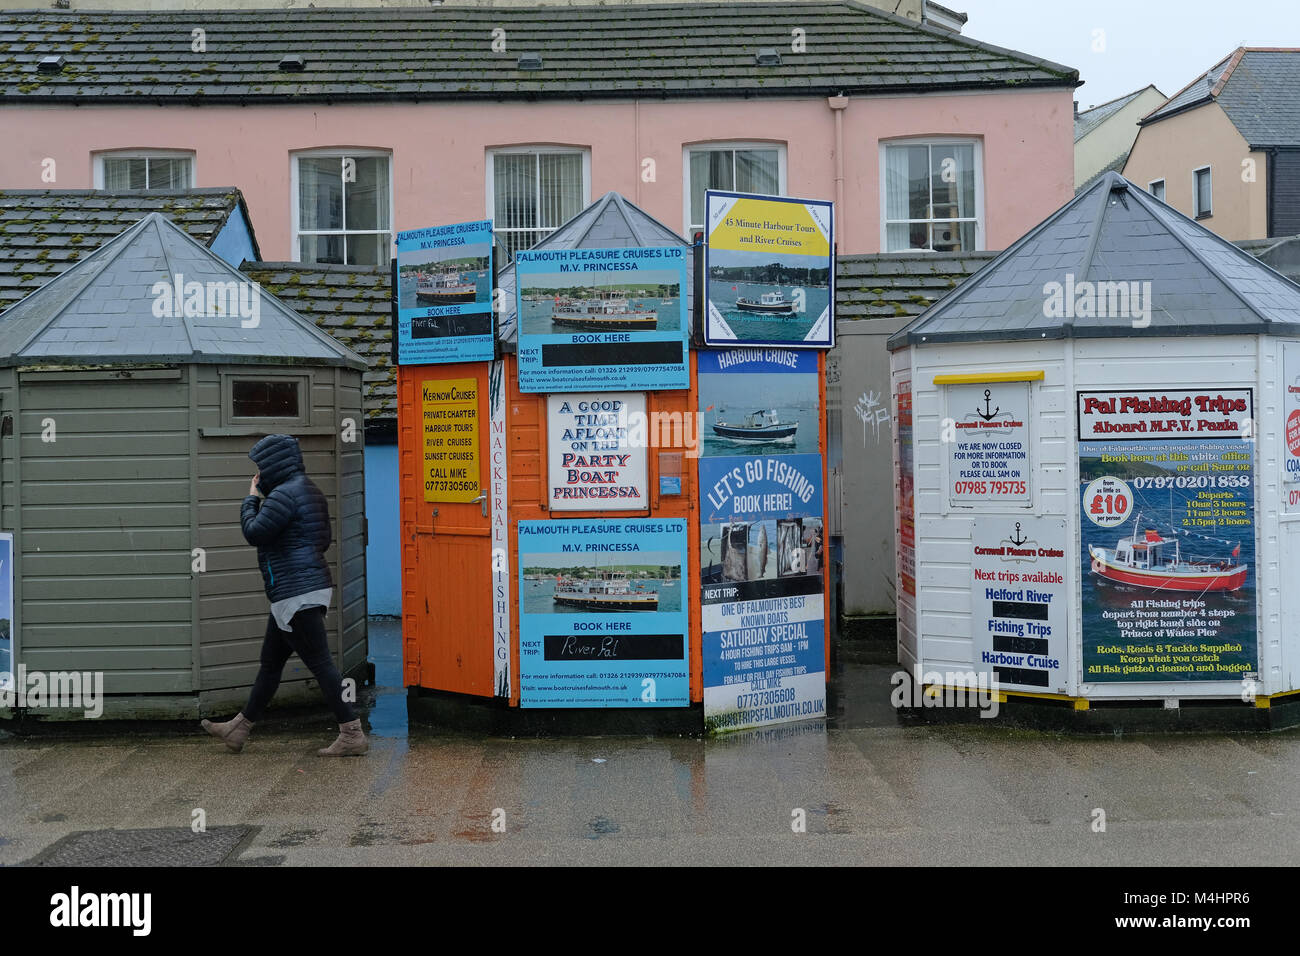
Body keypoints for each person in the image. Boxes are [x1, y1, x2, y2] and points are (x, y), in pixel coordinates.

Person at [200, 434, 367, 757]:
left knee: (321, 665)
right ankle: (239, 728)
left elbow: (254, 532)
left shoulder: (282, 496)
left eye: (260, 468)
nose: (258, 475)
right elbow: (322, 540)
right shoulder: (310, 491)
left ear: (274, 465)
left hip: (295, 593)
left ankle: (352, 733)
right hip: (303, 588)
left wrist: (251, 498)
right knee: (271, 664)